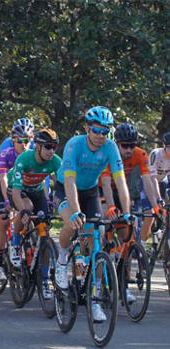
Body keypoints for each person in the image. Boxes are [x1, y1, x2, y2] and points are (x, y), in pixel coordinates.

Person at [54, 106, 130, 323]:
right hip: (65, 189)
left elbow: (120, 181)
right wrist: (76, 211)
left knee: (97, 236)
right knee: (72, 222)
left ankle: (95, 297)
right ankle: (61, 259)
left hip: (89, 192)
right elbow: (69, 181)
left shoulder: (110, 148)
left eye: (105, 131)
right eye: (96, 130)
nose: (100, 136)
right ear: (87, 127)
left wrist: (127, 213)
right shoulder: (74, 145)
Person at [7, 128, 61, 299]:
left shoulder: (55, 161)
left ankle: (44, 280)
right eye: (48, 147)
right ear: (37, 147)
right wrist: (22, 210)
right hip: (17, 189)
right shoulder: (25, 158)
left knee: (44, 231)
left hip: (37, 191)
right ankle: (15, 245)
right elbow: (16, 191)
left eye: (54, 147)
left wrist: (60, 205)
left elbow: (61, 186)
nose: (51, 151)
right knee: (27, 208)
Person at [100, 123, 163, 250]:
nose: (129, 149)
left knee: (127, 235)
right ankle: (98, 249)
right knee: (104, 221)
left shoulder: (140, 154)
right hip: (102, 189)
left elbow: (147, 182)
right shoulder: (110, 154)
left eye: (132, 145)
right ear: (117, 144)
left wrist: (155, 207)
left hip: (120, 189)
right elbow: (106, 184)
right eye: (125, 145)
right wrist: (111, 206)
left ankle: (123, 264)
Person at [0, 119, 34, 281]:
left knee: (29, 209)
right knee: (3, 220)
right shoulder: (6, 151)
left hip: (22, 185)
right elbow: (3, 178)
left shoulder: (33, 154)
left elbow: (43, 179)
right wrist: (7, 202)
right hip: (4, 184)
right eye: (19, 140)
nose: (24, 144)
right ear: (13, 139)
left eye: (27, 141)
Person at [150, 132, 170, 202]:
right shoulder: (156, 154)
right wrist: (159, 198)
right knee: (149, 210)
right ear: (164, 146)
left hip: (162, 181)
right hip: (149, 181)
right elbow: (153, 178)